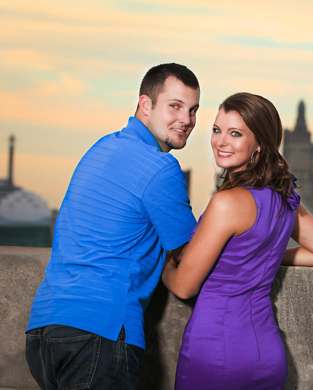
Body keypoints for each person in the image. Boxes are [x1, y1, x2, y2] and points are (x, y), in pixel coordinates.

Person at [25, 63, 200, 390]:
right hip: (99, 330)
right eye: (175, 106)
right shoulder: (160, 167)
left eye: (193, 110)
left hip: (44, 328)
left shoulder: (101, 148)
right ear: (146, 104)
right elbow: (194, 256)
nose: (187, 120)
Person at [162, 92, 313, 390]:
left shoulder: (227, 203)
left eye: (235, 133)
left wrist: (167, 263)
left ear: (259, 144)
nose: (221, 141)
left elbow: (183, 286)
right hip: (266, 355)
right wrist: (264, 256)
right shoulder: (284, 197)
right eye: (217, 130)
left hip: (215, 351)